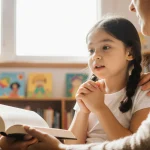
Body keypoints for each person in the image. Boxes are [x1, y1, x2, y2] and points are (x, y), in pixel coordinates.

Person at [0, 0, 150, 149]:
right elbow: (72, 144)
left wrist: (100, 108)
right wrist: (83, 111)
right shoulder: (89, 91)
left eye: (106, 47)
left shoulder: (142, 92)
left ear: (129, 52)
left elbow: (134, 145)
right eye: (91, 50)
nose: (95, 56)